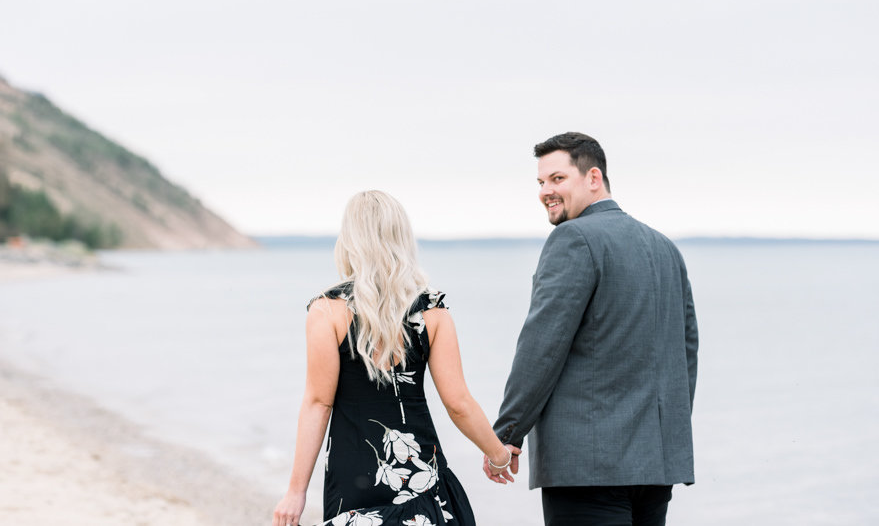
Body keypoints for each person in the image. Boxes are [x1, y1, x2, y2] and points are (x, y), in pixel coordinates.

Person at [489, 133, 698, 525]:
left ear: (593, 177)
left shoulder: (573, 239)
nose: (545, 192)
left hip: (587, 468)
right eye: (540, 183)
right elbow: (686, 354)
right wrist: (666, 433)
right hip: (655, 467)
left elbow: (542, 348)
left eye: (557, 179)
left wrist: (506, 434)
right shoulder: (665, 247)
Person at [273, 190, 518, 526]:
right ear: (401, 238)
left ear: (350, 240)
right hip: (422, 475)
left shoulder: (326, 310)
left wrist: (295, 492)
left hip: (351, 478)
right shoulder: (432, 311)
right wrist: (498, 455)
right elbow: (458, 402)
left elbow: (318, 403)